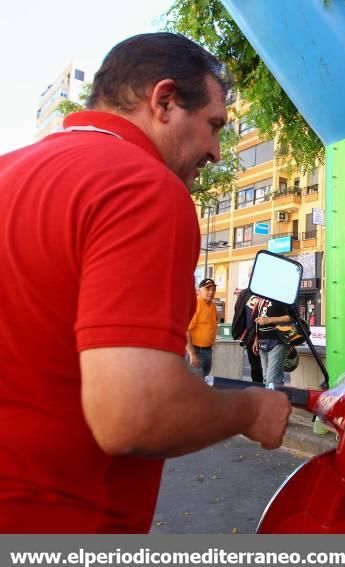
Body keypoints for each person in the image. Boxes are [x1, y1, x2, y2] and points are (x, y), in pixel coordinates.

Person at [0, 32, 291, 533]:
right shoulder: (143, 187)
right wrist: (250, 409)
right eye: (214, 126)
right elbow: (135, 413)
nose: (218, 152)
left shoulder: (10, 172)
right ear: (165, 100)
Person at [254, 297, 291, 387]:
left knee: (271, 380)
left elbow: (291, 317)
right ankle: (276, 397)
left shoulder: (282, 298)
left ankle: (272, 399)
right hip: (262, 341)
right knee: (266, 378)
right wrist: (256, 338)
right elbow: (257, 321)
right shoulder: (261, 300)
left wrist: (270, 320)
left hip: (277, 340)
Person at [232, 281, 265, 384]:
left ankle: (268, 392)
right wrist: (241, 332)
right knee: (255, 368)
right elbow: (238, 311)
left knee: (268, 370)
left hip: (267, 335)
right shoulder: (245, 293)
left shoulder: (268, 292)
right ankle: (258, 391)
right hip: (250, 336)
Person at [186, 278, 219, 379]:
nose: (211, 292)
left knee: (203, 381)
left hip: (208, 351)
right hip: (196, 351)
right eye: (207, 289)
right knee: (194, 385)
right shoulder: (196, 304)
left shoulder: (212, 306)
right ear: (199, 290)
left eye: (213, 289)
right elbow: (185, 330)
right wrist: (192, 354)